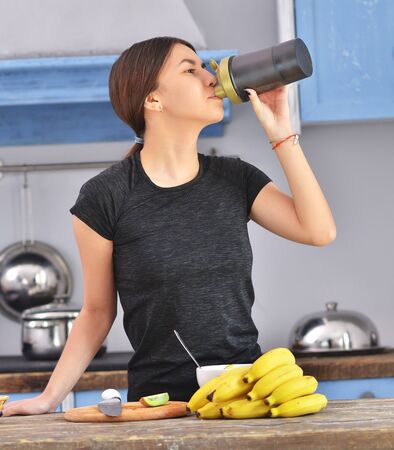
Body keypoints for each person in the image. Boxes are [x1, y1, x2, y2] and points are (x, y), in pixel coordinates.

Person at [1, 36, 336, 417]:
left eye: (204, 68)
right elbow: (96, 312)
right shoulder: (105, 197)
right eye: (189, 70)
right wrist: (49, 397)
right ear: (153, 99)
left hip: (246, 398)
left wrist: (281, 133)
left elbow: (318, 231)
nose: (210, 79)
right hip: (158, 407)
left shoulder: (235, 178)